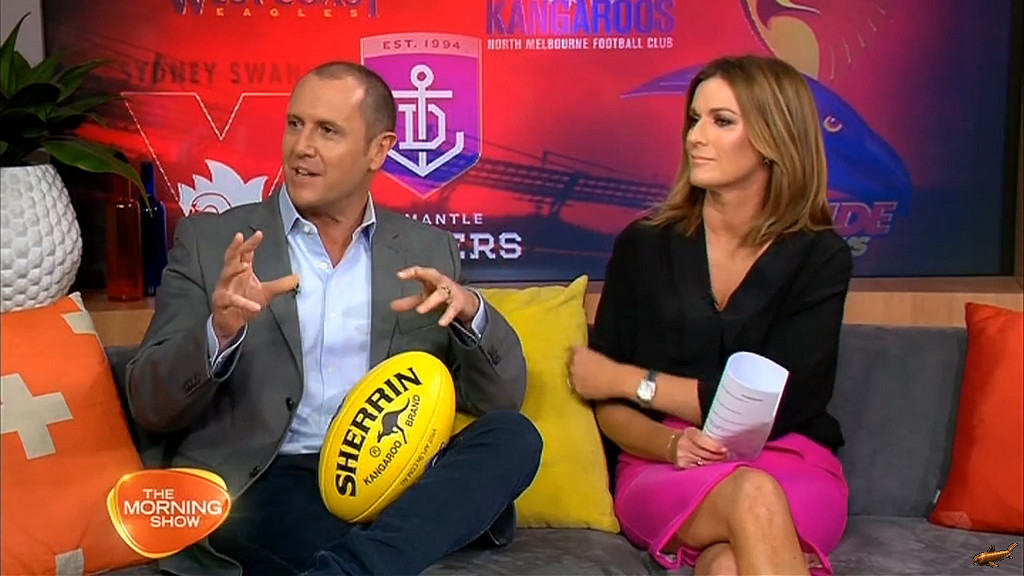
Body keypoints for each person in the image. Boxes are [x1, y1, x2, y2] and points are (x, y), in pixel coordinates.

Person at [124, 61, 543, 576]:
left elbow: (499, 399)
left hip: (394, 471)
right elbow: (149, 405)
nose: (302, 147)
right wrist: (219, 334)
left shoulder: (427, 251)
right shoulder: (212, 243)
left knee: (513, 437)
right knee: (298, 523)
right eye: (295, 124)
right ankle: (381, 554)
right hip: (273, 477)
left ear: (378, 151)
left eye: (327, 130)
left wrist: (471, 314)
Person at [568, 55, 853, 576]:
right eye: (695, 119)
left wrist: (632, 380)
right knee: (751, 494)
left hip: (791, 461)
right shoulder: (643, 246)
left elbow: (773, 407)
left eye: (722, 121)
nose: (695, 137)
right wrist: (669, 442)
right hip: (663, 462)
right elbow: (603, 401)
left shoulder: (820, 256)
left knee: (726, 565)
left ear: (773, 139)